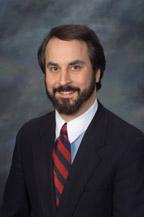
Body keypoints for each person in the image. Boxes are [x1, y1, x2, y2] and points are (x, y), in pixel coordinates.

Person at [0, 24, 144, 217]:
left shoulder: (130, 144)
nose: (63, 80)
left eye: (75, 67)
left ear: (97, 72)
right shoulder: (29, 135)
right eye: (54, 68)